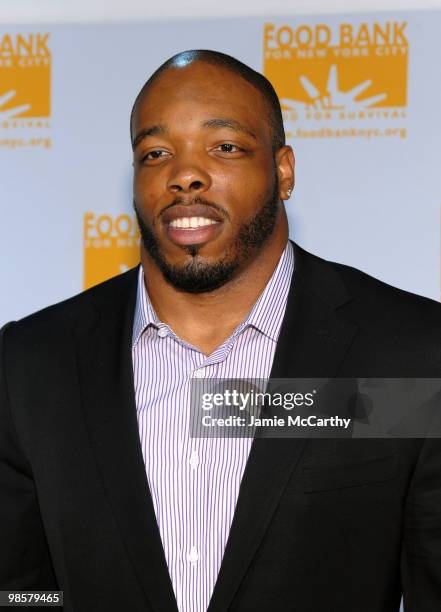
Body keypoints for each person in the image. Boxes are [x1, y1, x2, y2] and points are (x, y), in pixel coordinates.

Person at [0, 49, 440, 612]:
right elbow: (21, 590)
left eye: (225, 147)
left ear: (283, 171)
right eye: (156, 153)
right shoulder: (34, 364)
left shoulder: (409, 353)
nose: (184, 174)